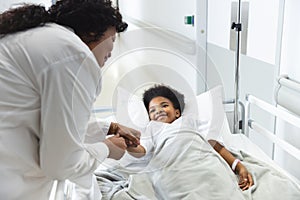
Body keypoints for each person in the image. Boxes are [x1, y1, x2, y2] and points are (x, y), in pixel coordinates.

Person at [0, 1, 140, 199]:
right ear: (95, 31)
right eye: (113, 39)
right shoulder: (73, 54)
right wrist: (106, 149)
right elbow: (61, 165)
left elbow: (53, 123)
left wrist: (110, 128)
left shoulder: (39, 39)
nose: (111, 50)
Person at [126, 84, 254, 191]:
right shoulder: (152, 128)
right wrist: (129, 145)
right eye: (152, 110)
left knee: (216, 182)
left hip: (202, 163)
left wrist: (240, 167)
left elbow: (212, 144)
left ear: (177, 112)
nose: (158, 111)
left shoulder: (189, 121)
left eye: (164, 105)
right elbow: (142, 151)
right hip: (173, 169)